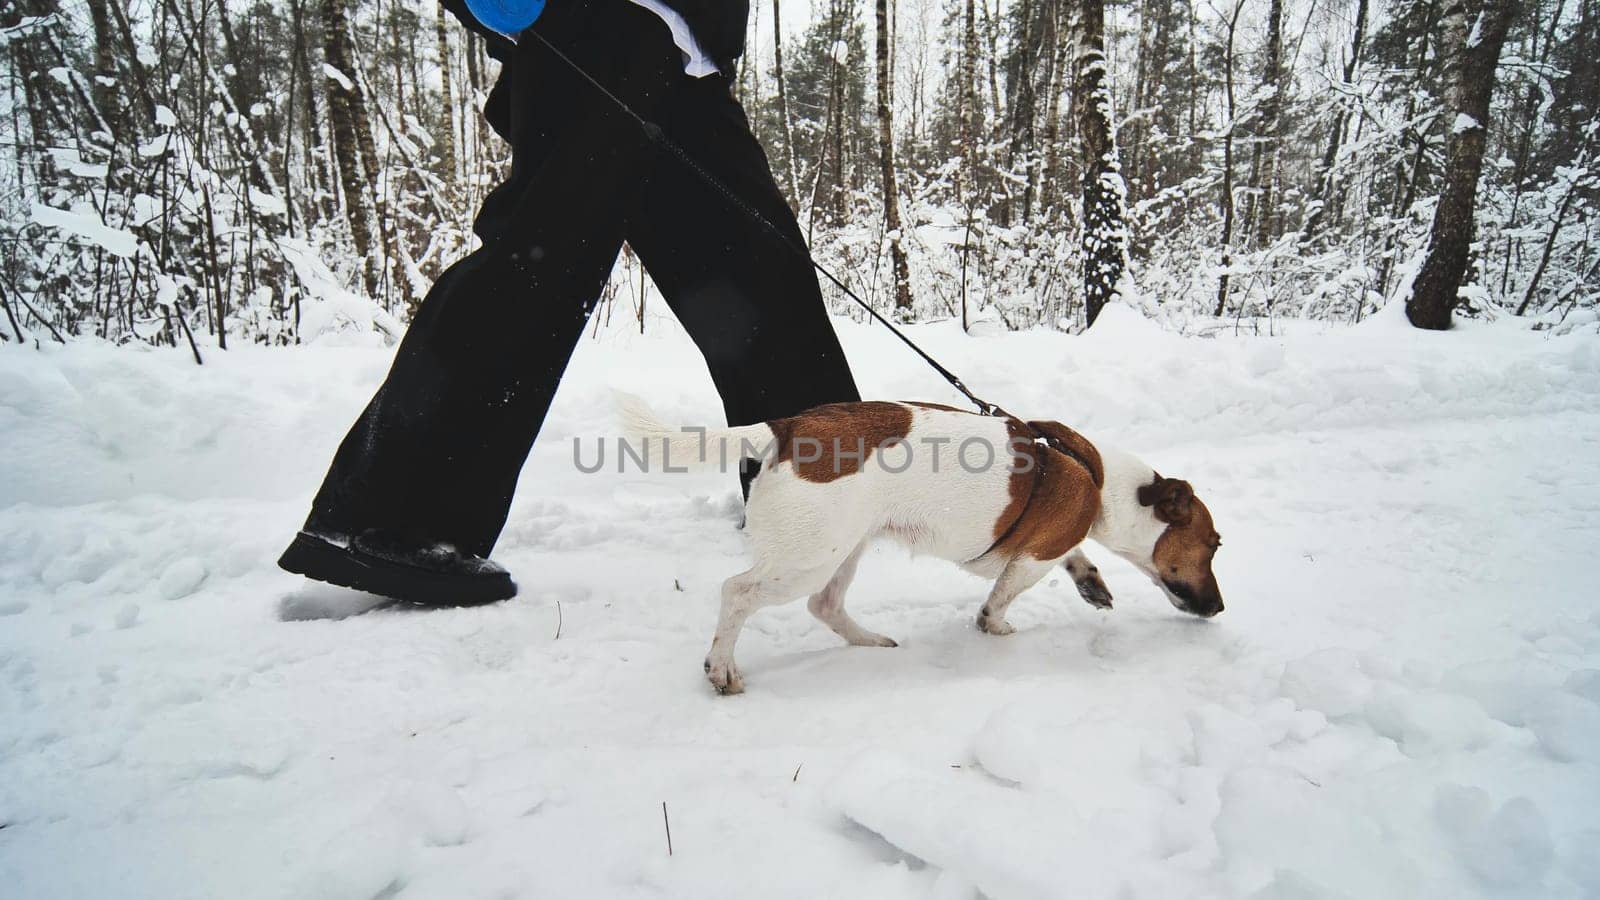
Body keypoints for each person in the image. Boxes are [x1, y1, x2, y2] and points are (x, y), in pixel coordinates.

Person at [278, 0, 860, 605]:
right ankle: (389, 519)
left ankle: (815, 484)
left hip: (692, 63)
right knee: (538, 264)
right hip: (596, 30)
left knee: (759, 271)